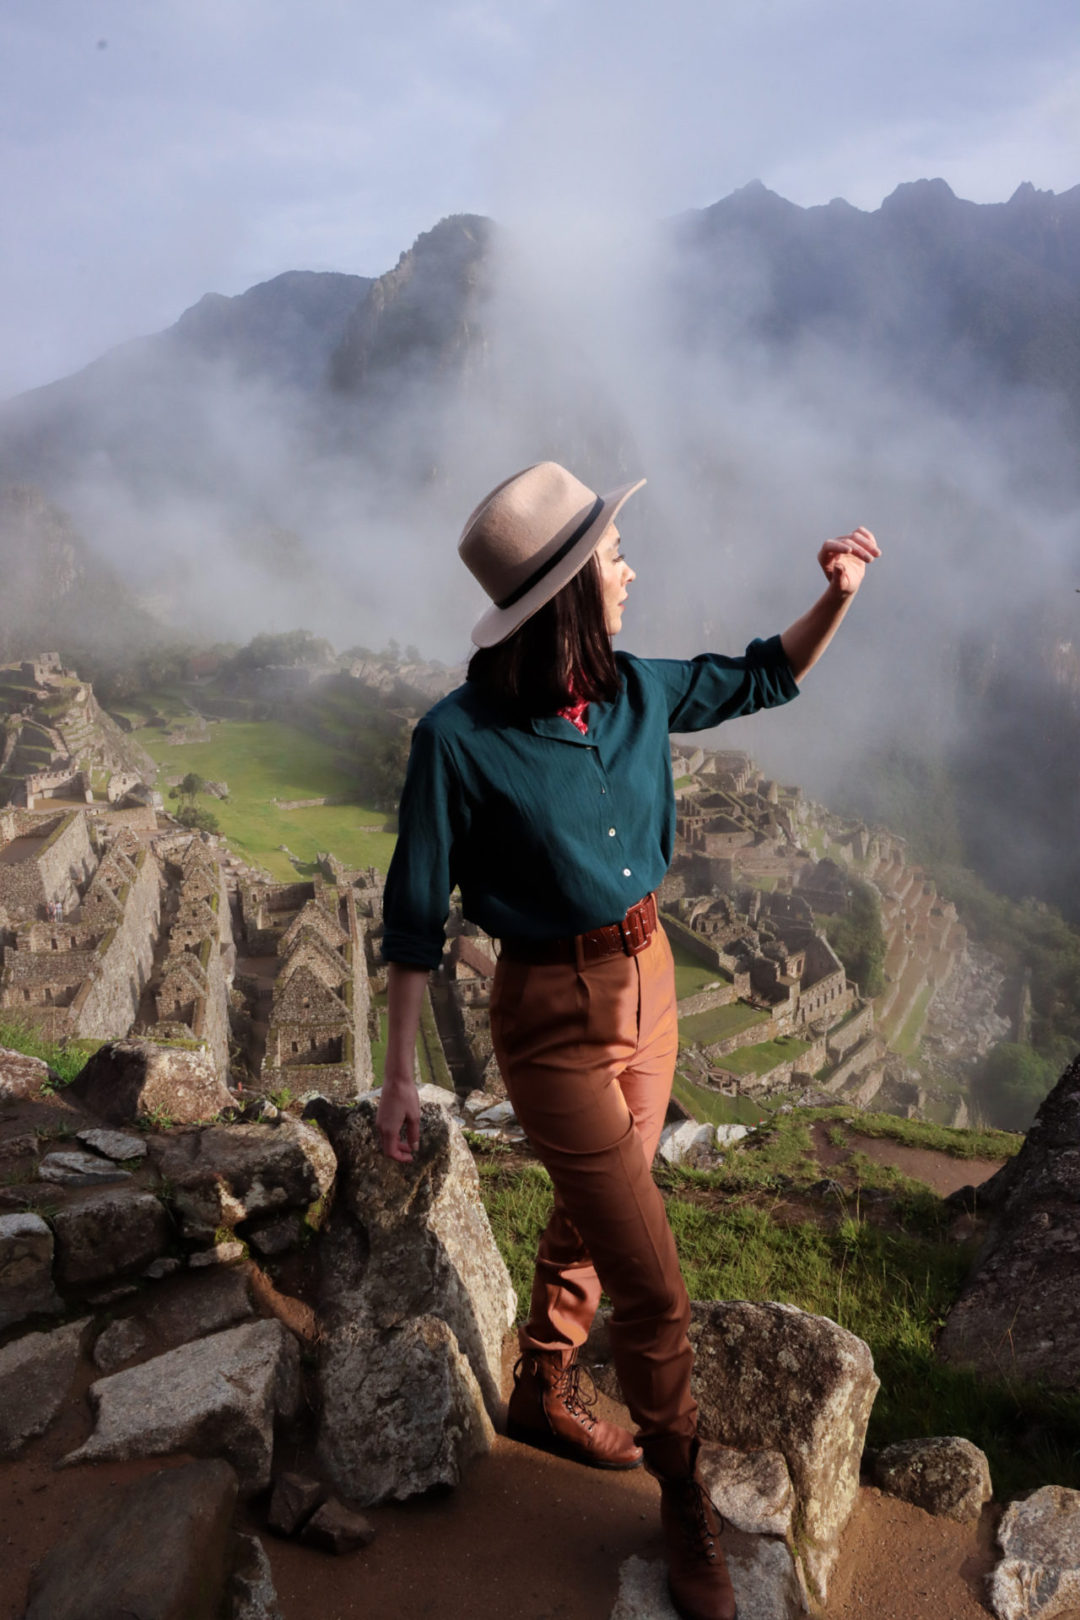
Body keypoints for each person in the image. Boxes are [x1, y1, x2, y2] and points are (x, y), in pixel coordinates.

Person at [376, 461, 880, 1620]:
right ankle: (683, 1501)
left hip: (651, 982)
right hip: (549, 1020)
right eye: (613, 559)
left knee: (605, 1201)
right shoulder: (456, 740)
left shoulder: (638, 694)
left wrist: (838, 595)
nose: (630, 569)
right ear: (564, 593)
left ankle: (543, 1380)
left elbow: (763, 675)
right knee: (654, 1286)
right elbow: (415, 916)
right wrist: (400, 1075)